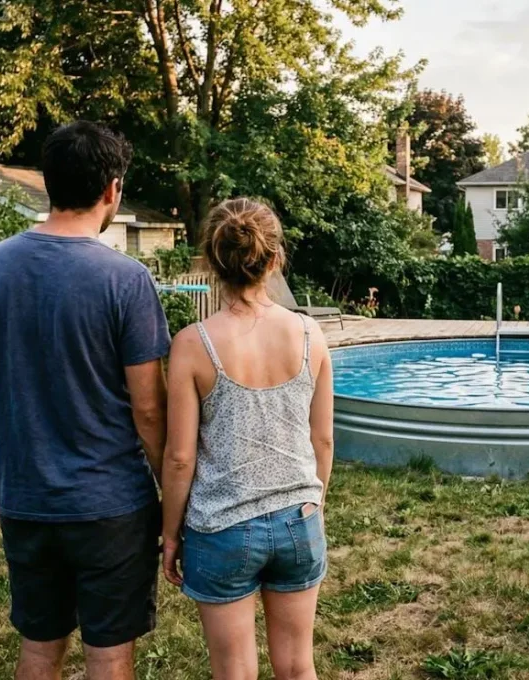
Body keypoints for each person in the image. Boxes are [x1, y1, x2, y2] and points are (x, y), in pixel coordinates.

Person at [0, 121, 170, 680]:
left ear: (48, 183)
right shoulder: (127, 280)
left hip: (26, 498)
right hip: (111, 504)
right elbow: (149, 410)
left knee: (38, 644)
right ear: (112, 190)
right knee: (108, 653)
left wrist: (2, 478)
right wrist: (170, 490)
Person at [160, 198, 334, 680]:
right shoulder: (309, 334)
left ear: (212, 263)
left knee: (234, 672)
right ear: (275, 258)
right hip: (300, 519)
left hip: (221, 529)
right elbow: (322, 441)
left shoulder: (193, 344)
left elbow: (179, 458)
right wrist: (313, 504)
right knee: (299, 667)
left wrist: (171, 535)